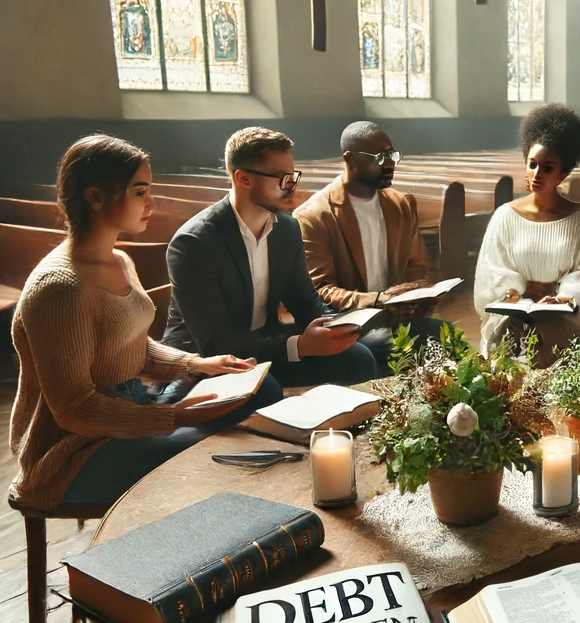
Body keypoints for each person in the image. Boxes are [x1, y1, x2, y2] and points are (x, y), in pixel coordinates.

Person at [8, 135, 281, 512]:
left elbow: (128, 343)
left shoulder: (119, 261)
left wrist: (195, 365)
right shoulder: (60, 289)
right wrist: (176, 415)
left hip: (137, 403)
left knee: (261, 387)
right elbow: (74, 408)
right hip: (75, 453)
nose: (151, 202)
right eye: (139, 192)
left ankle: (251, 520)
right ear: (96, 197)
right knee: (211, 447)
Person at [163, 127, 377, 388]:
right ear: (244, 179)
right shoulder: (195, 243)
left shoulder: (286, 229)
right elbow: (214, 343)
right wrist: (298, 345)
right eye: (282, 178)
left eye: (293, 176)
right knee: (265, 387)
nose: (292, 186)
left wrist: (342, 325)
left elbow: (306, 303)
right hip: (206, 362)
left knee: (359, 358)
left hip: (266, 346)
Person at [293, 121, 445, 376]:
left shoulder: (401, 204)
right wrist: (378, 300)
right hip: (352, 323)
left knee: (448, 337)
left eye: (392, 154)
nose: (390, 163)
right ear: (349, 159)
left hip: (399, 318)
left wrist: (422, 294)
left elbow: (418, 265)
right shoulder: (314, 216)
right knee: (398, 346)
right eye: (380, 157)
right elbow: (320, 291)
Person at [474, 105, 580, 365]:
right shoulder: (504, 216)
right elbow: (491, 273)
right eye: (532, 164)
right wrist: (520, 292)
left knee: (548, 335)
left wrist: (559, 294)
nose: (536, 174)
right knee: (522, 339)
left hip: (564, 317)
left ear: (563, 174)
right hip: (513, 315)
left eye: (547, 168)